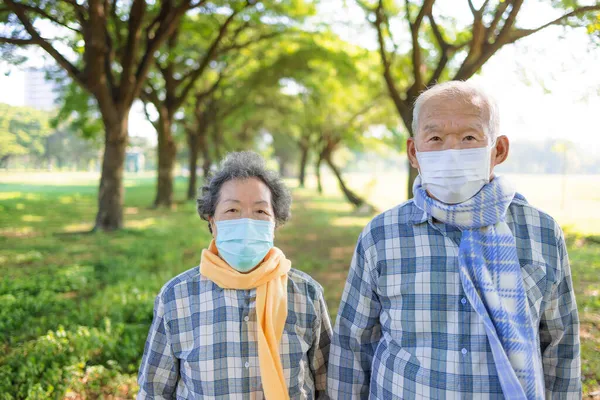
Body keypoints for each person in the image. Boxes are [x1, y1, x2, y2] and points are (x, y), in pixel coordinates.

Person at [327, 81, 580, 399]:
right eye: (435, 138)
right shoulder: (381, 235)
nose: (452, 152)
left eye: (469, 137)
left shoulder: (541, 233)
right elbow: (352, 345)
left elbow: (561, 344)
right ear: (413, 152)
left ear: (498, 150)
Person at [138, 151, 332, 399]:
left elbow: (327, 385)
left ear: (275, 223)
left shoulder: (305, 294)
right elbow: (154, 391)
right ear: (212, 221)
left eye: (260, 212)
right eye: (232, 210)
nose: (247, 222)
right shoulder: (177, 298)